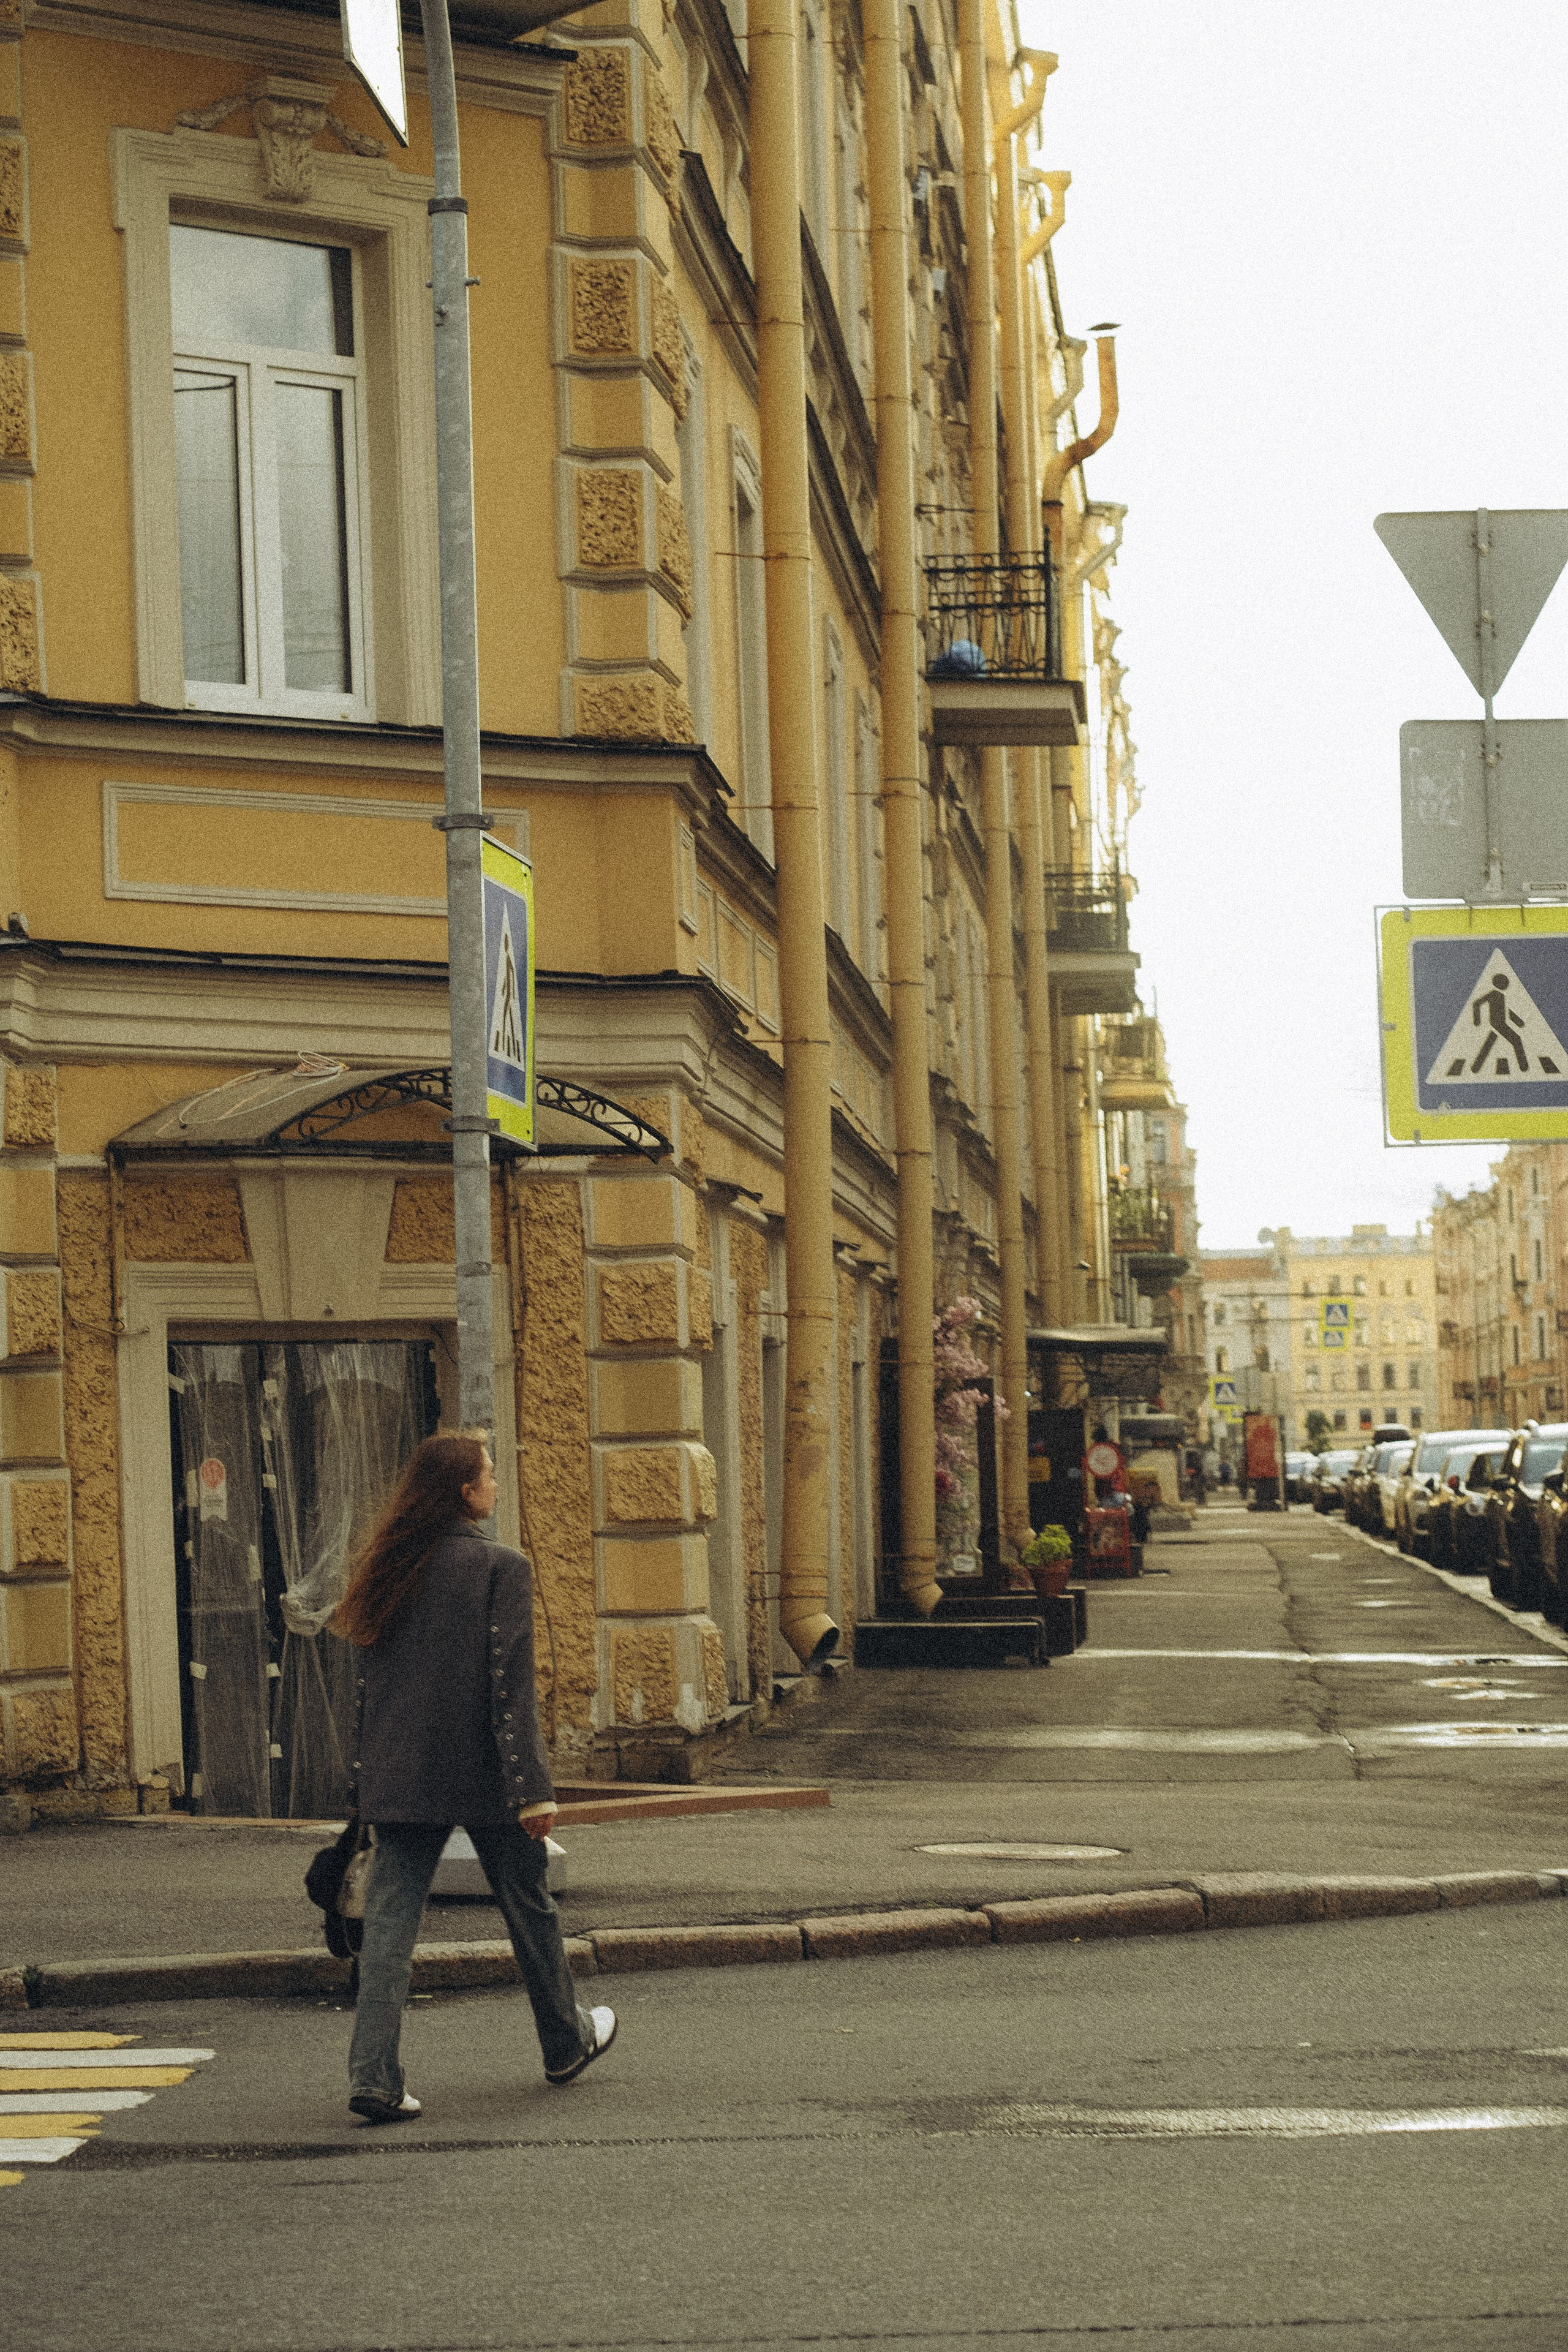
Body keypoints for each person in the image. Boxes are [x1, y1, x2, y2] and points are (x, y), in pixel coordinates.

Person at [333, 1431, 615, 2122]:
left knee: (390, 1928)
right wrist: (534, 1791)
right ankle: (564, 2042)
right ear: (464, 1492)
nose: (495, 1485)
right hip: (489, 1776)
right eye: (488, 1475)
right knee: (530, 1909)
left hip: (403, 1777)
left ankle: (374, 2076)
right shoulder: (501, 1567)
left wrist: (368, 1784)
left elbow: (371, 1689)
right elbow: (509, 1687)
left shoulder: (387, 1566)